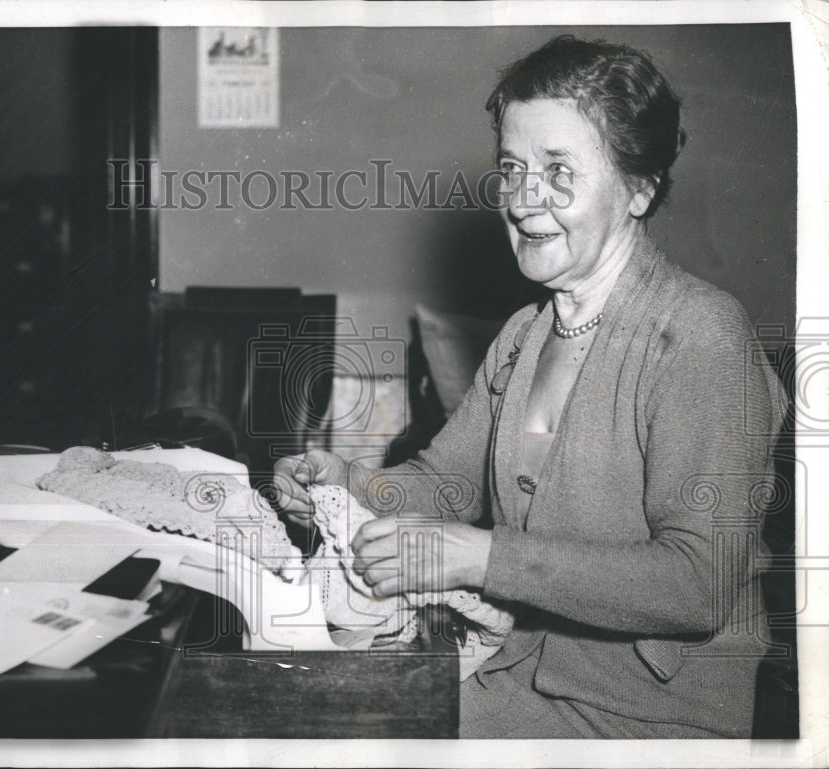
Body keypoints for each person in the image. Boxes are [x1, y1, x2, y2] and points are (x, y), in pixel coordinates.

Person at [274, 35, 787, 739]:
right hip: (518, 676)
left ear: (638, 189)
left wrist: (482, 555)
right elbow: (445, 480)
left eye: (558, 170)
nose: (524, 199)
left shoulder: (701, 334)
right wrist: (350, 482)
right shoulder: (526, 332)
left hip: (646, 722)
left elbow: (696, 583)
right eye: (513, 169)